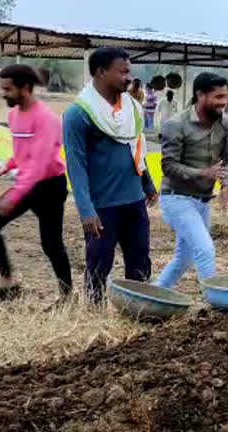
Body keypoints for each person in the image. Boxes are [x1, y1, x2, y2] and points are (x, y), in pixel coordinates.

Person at [63, 47, 157, 303]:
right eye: (123, 71)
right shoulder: (78, 114)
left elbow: (136, 147)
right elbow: (76, 164)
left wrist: (148, 183)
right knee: (98, 265)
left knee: (140, 262)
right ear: (101, 72)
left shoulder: (132, 109)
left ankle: (138, 309)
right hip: (102, 206)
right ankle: (94, 315)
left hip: (134, 201)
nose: (129, 77)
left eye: (129, 71)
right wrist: (85, 209)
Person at [0, 65, 72, 306]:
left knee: (51, 244)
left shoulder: (46, 119)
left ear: (25, 88)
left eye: (8, 89)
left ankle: (67, 296)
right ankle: (7, 285)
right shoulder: (14, 114)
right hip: (28, 183)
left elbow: (39, 165)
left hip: (50, 186)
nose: (4, 93)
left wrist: (14, 197)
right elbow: (22, 154)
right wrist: (4, 168)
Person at [155, 72, 228, 287]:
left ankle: (151, 298)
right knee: (204, 249)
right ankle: (215, 305)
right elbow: (168, 166)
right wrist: (202, 173)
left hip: (203, 201)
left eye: (225, 97)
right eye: (218, 97)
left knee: (184, 259)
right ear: (200, 95)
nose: (224, 103)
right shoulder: (175, 124)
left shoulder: (227, 124)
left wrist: (226, 185)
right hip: (176, 198)